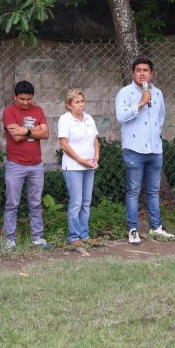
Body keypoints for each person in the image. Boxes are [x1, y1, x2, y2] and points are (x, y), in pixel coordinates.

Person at [116, 56, 174, 244]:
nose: (142, 73)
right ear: (133, 73)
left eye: (146, 70)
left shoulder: (157, 93)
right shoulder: (125, 93)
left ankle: (156, 227)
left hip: (155, 149)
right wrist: (140, 103)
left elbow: (161, 116)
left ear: (152, 73)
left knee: (154, 191)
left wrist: (155, 134)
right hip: (134, 149)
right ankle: (133, 229)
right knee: (133, 190)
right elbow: (121, 116)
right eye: (138, 70)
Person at [1, 80, 51, 252]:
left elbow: (46, 133)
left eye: (29, 99)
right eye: (22, 99)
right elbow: (15, 137)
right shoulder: (9, 111)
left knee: (36, 203)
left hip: (36, 165)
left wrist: (27, 131)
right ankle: (10, 240)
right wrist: (35, 130)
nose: (25, 103)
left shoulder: (38, 110)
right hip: (15, 165)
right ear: (15, 96)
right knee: (12, 204)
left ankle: (37, 238)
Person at [58, 89, 100, 247]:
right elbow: (64, 145)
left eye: (82, 101)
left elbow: (95, 140)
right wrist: (82, 161)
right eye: (77, 102)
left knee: (86, 202)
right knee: (76, 202)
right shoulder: (65, 120)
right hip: (74, 166)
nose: (81, 105)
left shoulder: (89, 118)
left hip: (89, 165)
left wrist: (96, 157)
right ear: (69, 105)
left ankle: (84, 234)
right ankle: (73, 236)